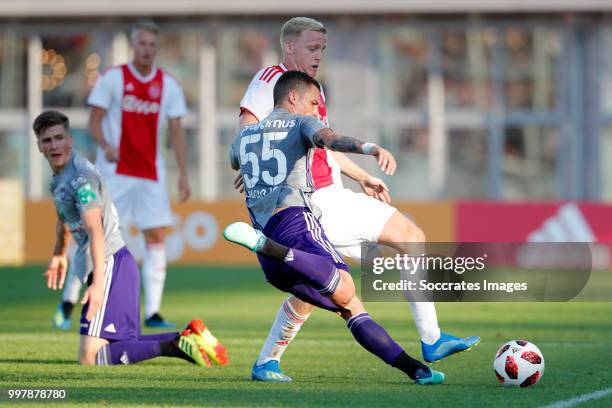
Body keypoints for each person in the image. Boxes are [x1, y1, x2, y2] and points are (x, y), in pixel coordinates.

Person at [238, 17, 480, 382]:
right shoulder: (272, 79)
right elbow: (249, 122)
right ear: (289, 47)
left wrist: (362, 176)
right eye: (312, 48)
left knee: (317, 288)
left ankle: (267, 361)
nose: (319, 55)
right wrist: (250, 161)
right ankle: (431, 339)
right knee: (410, 237)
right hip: (319, 199)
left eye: (323, 48)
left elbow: (319, 144)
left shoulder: (309, 93)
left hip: (322, 196)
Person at [226, 71, 443, 385]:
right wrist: (370, 148)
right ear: (292, 97)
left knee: (349, 306)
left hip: (269, 247)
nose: (316, 109)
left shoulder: (245, 137)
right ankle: (265, 245)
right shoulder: (301, 123)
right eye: (313, 102)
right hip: (295, 224)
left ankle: (415, 370)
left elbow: (236, 160)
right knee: (346, 288)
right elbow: (330, 140)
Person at [35, 110, 227, 367]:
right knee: (120, 346)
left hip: (109, 266)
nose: (54, 145)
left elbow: (96, 231)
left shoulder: (81, 180)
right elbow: (64, 217)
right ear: (39, 146)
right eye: (47, 140)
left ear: (70, 139)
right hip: (117, 266)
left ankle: (177, 344)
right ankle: (189, 338)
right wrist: (59, 254)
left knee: (89, 358)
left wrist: (98, 284)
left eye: (59, 137)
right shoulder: (60, 179)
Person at [52, 20, 190, 329]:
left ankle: (153, 312)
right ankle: (68, 300)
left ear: (157, 47)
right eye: (142, 44)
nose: (147, 50)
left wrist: (182, 172)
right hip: (114, 173)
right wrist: (105, 144)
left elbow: (178, 131)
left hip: (151, 174)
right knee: (92, 235)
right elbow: (94, 122)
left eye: (152, 45)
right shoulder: (113, 79)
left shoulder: (168, 85)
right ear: (133, 45)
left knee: (155, 235)